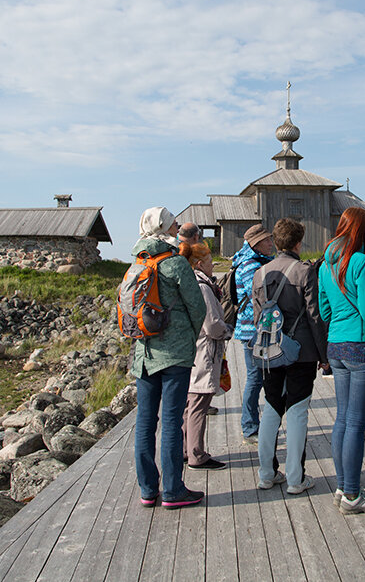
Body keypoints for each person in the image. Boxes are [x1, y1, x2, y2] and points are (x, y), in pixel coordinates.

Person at [130, 207, 207, 509]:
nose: (177, 227)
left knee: (145, 422)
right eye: (173, 223)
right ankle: (173, 490)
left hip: (143, 354)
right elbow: (197, 308)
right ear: (164, 227)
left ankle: (148, 490)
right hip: (174, 355)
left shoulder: (137, 262)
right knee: (173, 421)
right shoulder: (175, 263)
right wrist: (188, 336)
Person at [318, 207, 365, 514]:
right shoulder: (361, 262)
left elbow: (324, 311)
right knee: (357, 425)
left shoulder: (325, 265)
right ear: (360, 231)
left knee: (343, 420)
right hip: (362, 346)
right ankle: (352, 495)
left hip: (336, 345)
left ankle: (343, 487)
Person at [251, 218, 327, 494]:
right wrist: (324, 353)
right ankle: (296, 478)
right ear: (298, 243)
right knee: (297, 412)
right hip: (301, 351)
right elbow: (315, 317)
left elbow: (261, 317)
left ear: (276, 241)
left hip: (270, 350)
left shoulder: (260, 274)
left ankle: (266, 473)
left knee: (271, 408)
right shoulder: (304, 271)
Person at [181, 240, 230, 470]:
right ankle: (197, 454)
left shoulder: (192, 282)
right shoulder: (202, 286)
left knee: (191, 404)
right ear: (199, 263)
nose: (213, 265)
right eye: (211, 262)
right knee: (199, 403)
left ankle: (185, 449)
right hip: (205, 351)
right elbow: (212, 325)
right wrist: (227, 330)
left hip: (194, 350)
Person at [231, 224, 276, 443]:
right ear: (256, 243)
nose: (271, 243)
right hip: (253, 330)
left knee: (257, 378)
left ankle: (255, 425)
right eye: (267, 240)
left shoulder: (252, 261)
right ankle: (249, 427)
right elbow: (258, 295)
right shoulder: (251, 265)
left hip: (252, 329)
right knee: (254, 379)